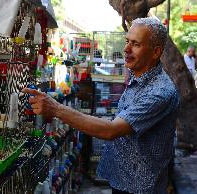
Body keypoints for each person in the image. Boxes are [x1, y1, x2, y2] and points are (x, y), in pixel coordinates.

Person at [23, 17, 180, 194]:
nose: (126, 49)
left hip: (140, 187)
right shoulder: (138, 75)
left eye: (136, 44)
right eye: (127, 41)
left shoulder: (159, 92)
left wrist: (56, 108)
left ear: (156, 52)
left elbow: (110, 131)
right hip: (124, 180)